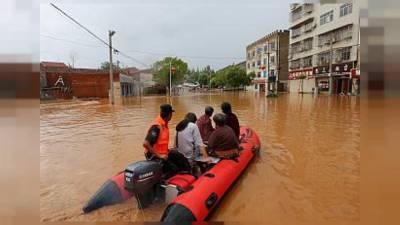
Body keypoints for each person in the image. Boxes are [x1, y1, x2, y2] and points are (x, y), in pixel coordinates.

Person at [143, 104, 182, 178]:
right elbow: (146, 143)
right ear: (169, 115)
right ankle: (162, 182)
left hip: (162, 153)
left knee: (178, 158)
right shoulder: (157, 127)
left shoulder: (163, 124)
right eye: (171, 114)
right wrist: (160, 156)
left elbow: (160, 142)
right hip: (154, 156)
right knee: (174, 169)